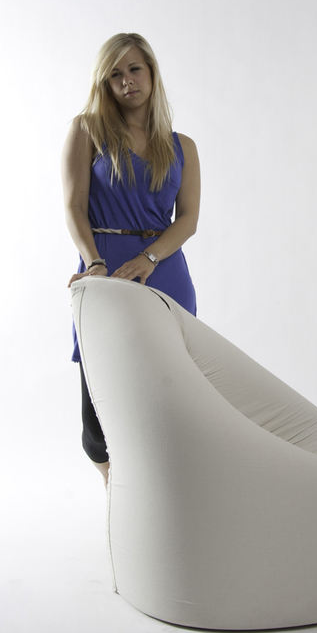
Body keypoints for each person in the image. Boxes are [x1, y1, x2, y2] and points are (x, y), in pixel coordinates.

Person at [61, 33, 200, 487]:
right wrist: (93, 263)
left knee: (169, 398)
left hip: (165, 272)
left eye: (134, 69)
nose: (126, 81)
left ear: (152, 73)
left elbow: (188, 219)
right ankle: (115, 490)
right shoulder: (87, 130)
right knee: (97, 421)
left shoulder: (182, 146)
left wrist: (150, 257)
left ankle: (159, 501)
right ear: (104, 83)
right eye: (115, 74)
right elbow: (73, 206)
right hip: (104, 271)